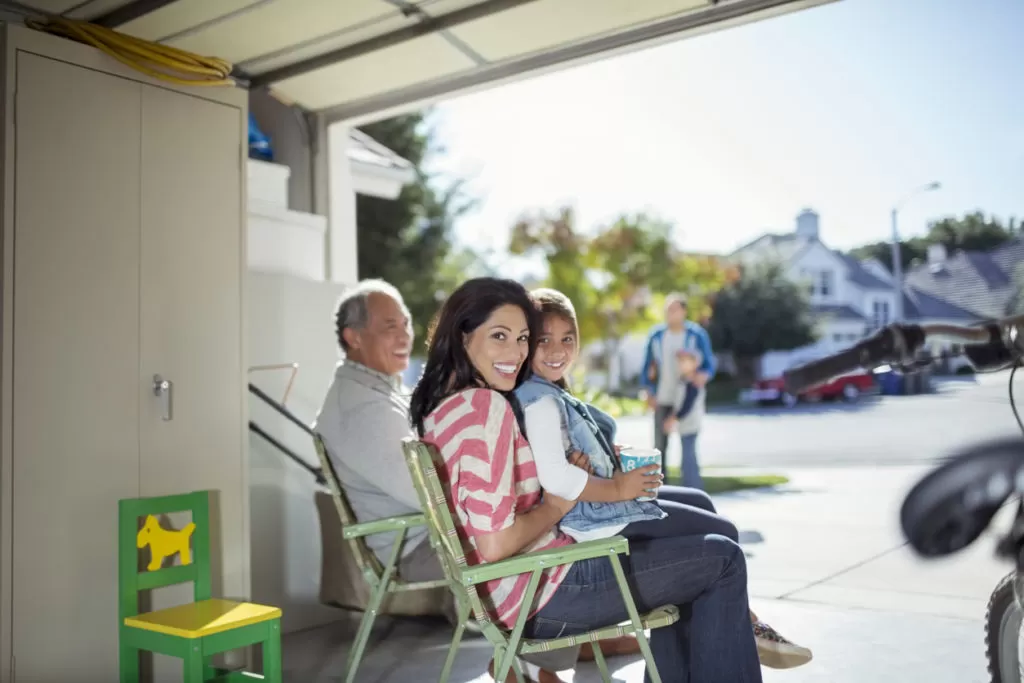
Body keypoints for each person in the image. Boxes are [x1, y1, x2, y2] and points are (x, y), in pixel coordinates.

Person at [409, 277, 766, 683]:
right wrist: (557, 505)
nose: (517, 352)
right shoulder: (486, 407)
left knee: (697, 551)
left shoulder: (441, 409)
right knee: (723, 559)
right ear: (462, 335)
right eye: (499, 336)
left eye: (522, 337)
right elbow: (495, 543)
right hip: (544, 591)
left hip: (514, 590)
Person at [312, 279, 611, 683]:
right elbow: (428, 493)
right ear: (353, 337)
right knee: (556, 521)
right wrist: (526, 481)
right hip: (416, 543)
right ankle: (544, 657)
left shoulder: (375, 390)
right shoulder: (362, 408)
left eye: (405, 324)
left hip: (435, 530)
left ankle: (550, 650)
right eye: (389, 327)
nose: (404, 336)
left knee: (556, 511)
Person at [515, 288, 812, 669]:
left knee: (700, 503)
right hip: (595, 525)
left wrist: (609, 459)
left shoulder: (550, 392)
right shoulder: (539, 399)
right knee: (725, 539)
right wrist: (619, 486)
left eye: (567, 339)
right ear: (527, 344)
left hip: (599, 512)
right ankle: (745, 624)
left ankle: (739, 626)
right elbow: (555, 476)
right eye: (545, 340)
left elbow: (563, 456)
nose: (557, 349)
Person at [641, 293, 714, 489]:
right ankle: (660, 492)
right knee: (659, 448)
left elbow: (709, 365)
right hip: (662, 398)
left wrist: (702, 376)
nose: (670, 314)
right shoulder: (656, 336)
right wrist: (648, 391)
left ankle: (692, 493)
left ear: (683, 311)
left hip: (685, 398)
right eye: (667, 310)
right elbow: (648, 366)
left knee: (688, 448)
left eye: (674, 309)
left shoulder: (696, 335)